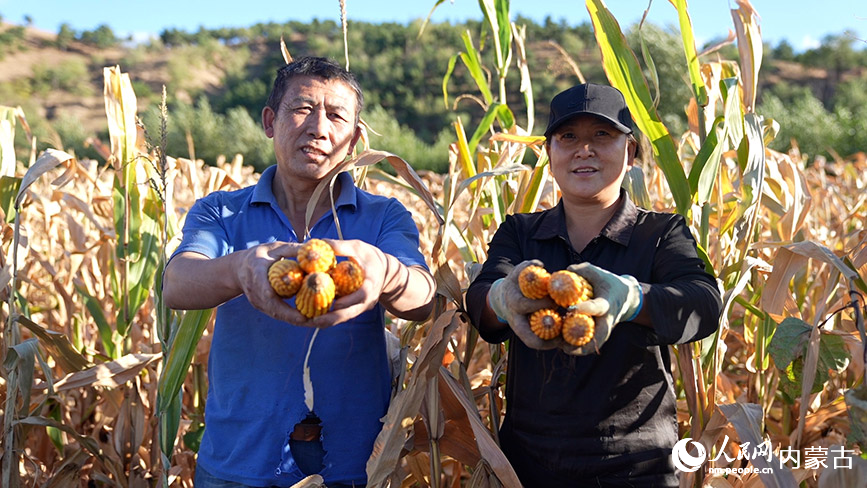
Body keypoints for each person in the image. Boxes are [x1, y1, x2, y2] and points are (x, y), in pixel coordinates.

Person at [163, 56, 436, 488]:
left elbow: (423, 299)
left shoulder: (383, 217)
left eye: (337, 115)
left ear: (355, 139)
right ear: (271, 121)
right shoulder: (221, 211)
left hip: (354, 464)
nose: (319, 128)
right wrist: (242, 268)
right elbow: (177, 283)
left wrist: (385, 272)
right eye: (303, 109)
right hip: (239, 461)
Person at [466, 83, 722, 487]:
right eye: (568, 137)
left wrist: (633, 298)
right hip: (529, 463)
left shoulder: (660, 233)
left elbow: (704, 305)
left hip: (638, 464)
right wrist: (501, 297)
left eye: (601, 135)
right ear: (549, 155)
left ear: (631, 152)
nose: (584, 150)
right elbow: (481, 301)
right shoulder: (520, 232)